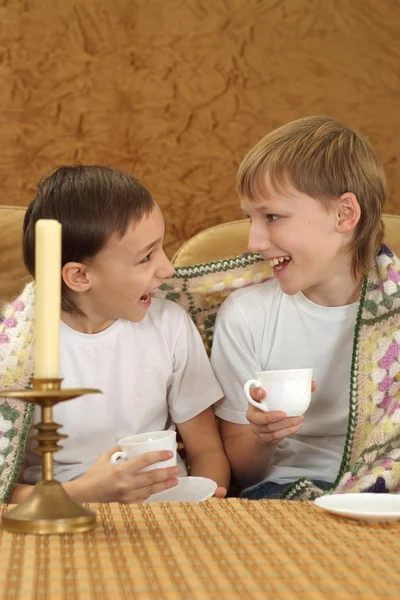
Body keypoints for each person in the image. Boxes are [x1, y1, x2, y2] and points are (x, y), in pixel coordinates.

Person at [0, 165, 230, 504]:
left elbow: (207, 449)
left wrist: (207, 501)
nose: (168, 269)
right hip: (61, 512)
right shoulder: (14, 353)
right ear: (79, 276)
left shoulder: (170, 325)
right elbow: (5, 491)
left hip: (168, 510)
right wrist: (88, 492)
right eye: (146, 257)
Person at [211, 115, 400, 500]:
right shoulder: (247, 314)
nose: (254, 241)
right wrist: (262, 438)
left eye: (272, 216)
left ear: (344, 214)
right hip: (279, 491)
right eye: (251, 218)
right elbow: (244, 472)